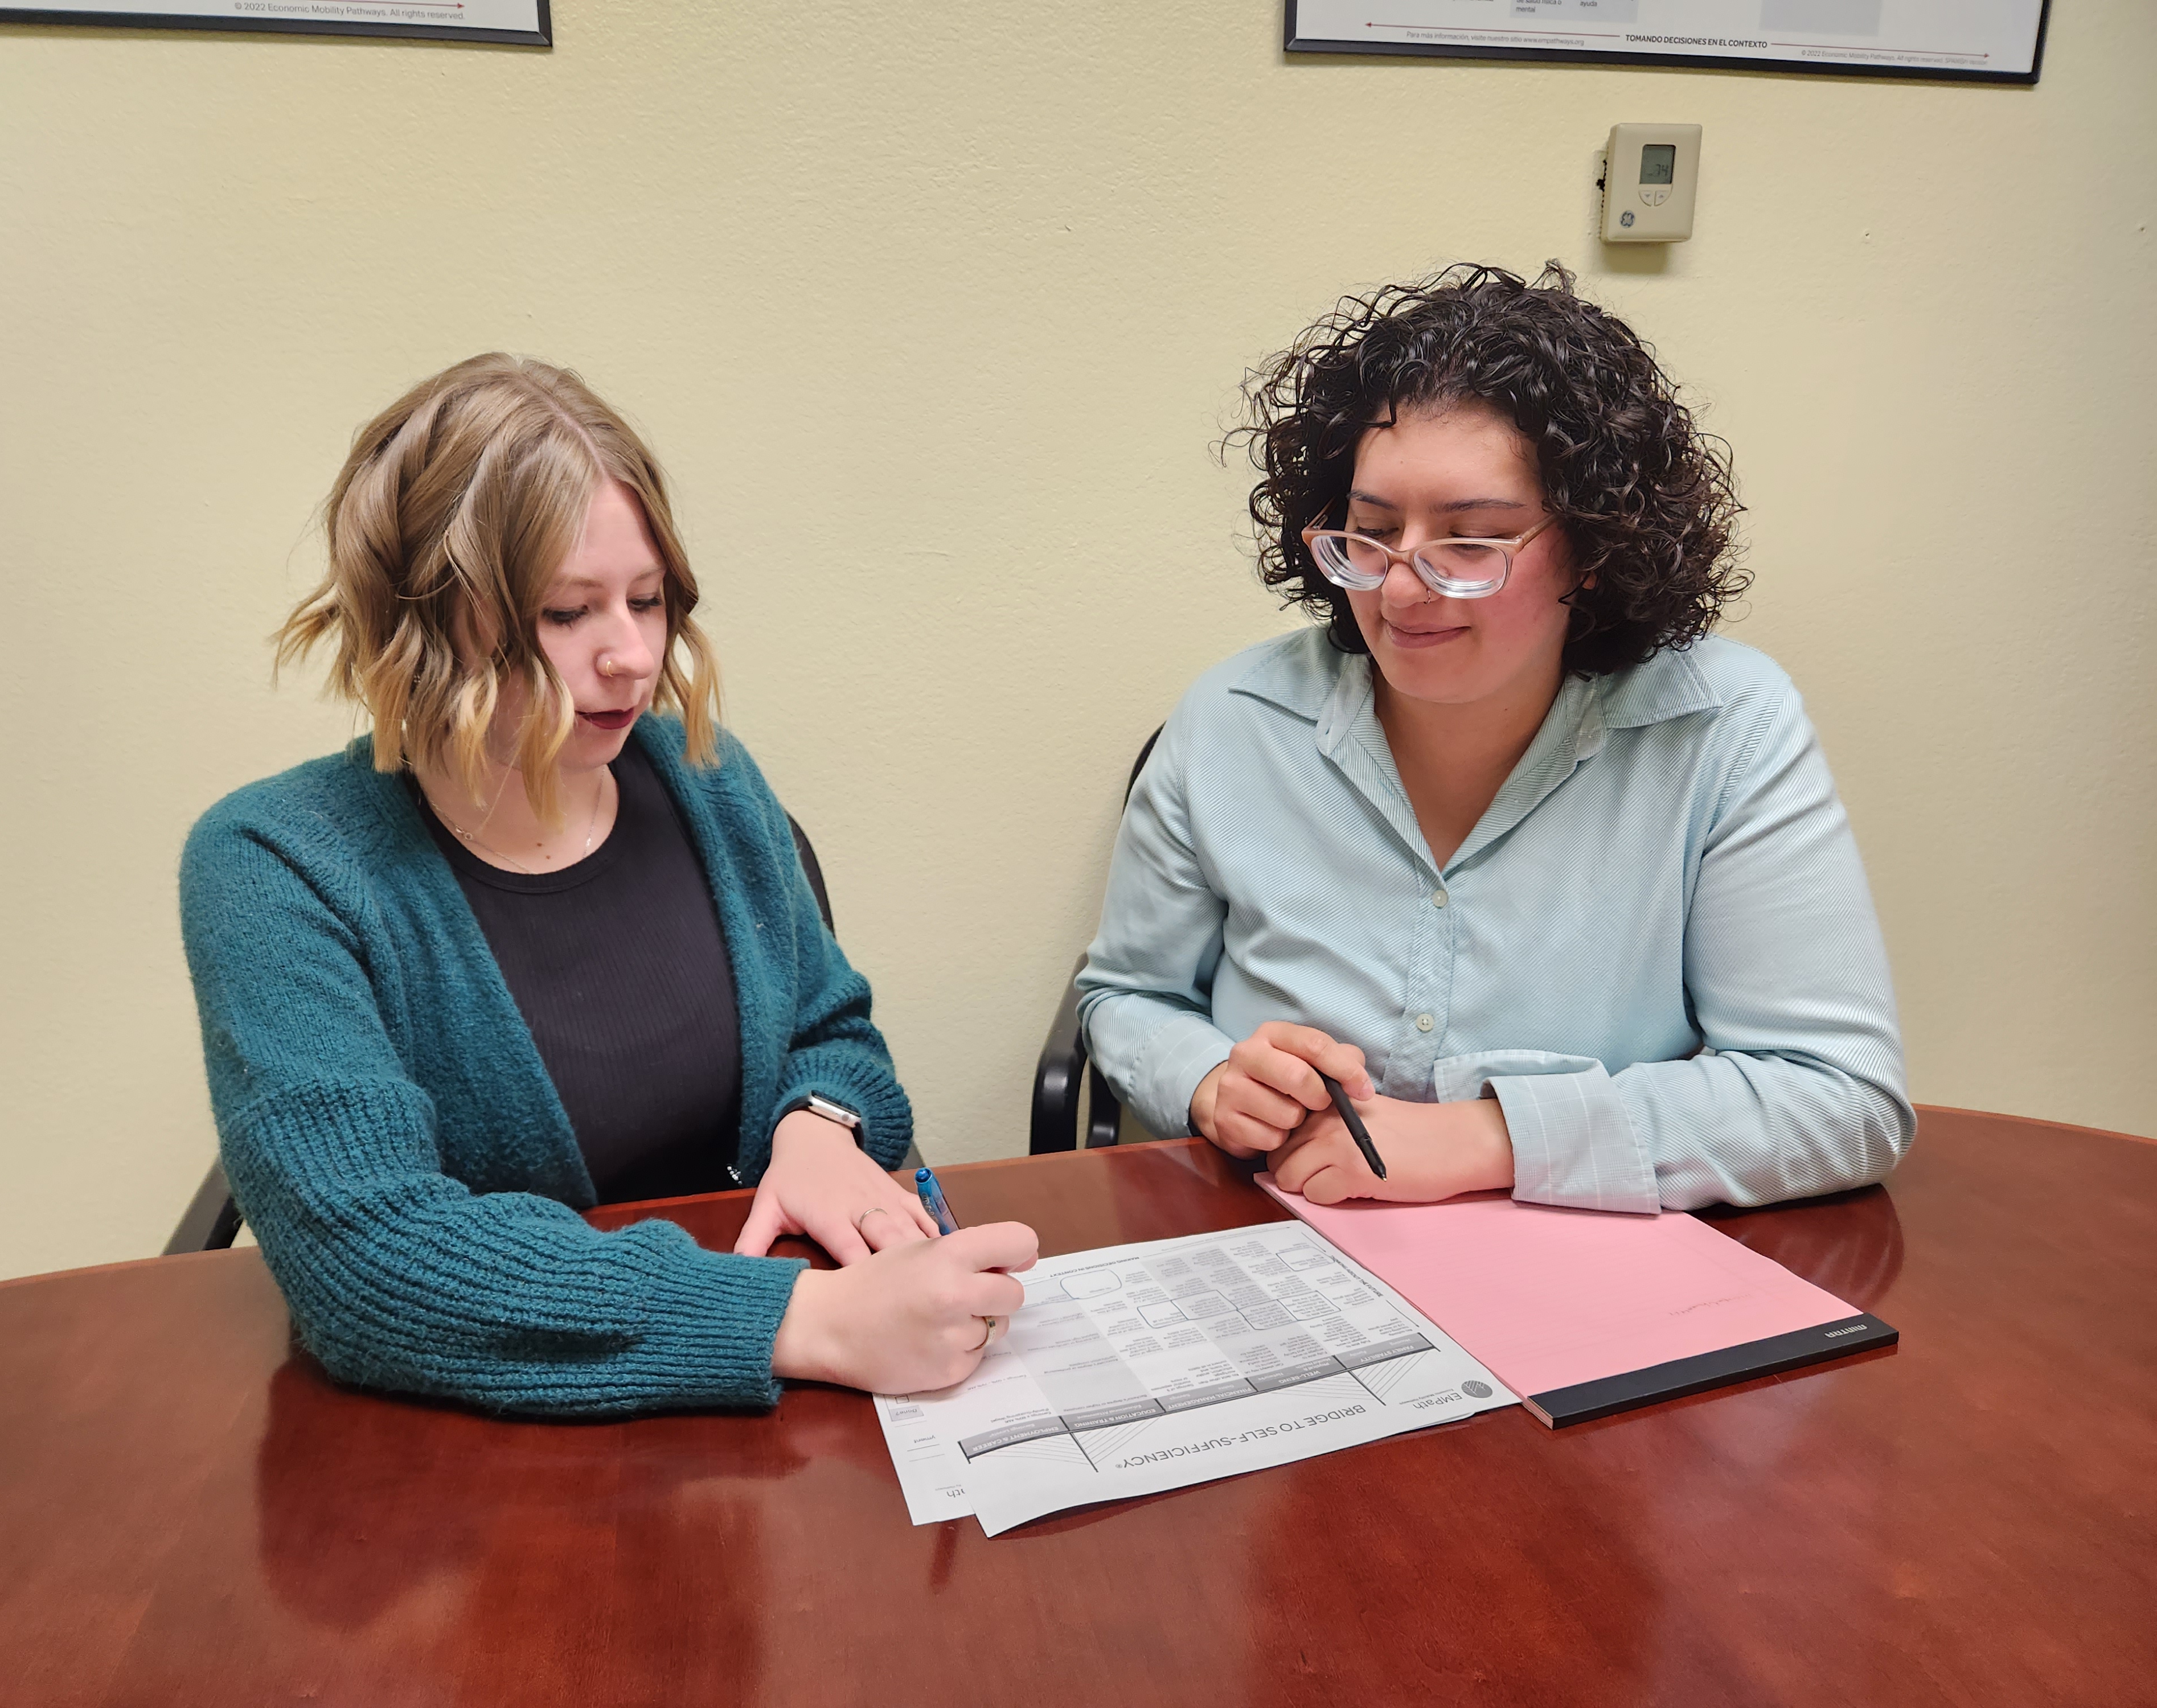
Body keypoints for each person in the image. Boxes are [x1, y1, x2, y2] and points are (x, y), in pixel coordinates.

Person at [181, 354, 1033, 1416]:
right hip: (479, 1468)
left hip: (770, 1430)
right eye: (568, 613)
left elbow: (833, 1032)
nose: (632, 656)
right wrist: (793, 1322)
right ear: (427, 620)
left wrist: (817, 1121)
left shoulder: (706, 781)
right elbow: (367, 1254)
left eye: (649, 599)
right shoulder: (276, 863)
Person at [1076, 264, 1912, 1213]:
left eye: (1470, 542)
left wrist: (1491, 1137)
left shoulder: (1724, 728)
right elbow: (1127, 998)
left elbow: (1841, 1099)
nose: (1398, 589)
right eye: (1371, 531)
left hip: (1588, 1276)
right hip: (1282, 1246)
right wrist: (1209, 1080)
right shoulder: (1233, 718)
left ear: (1594, 549)